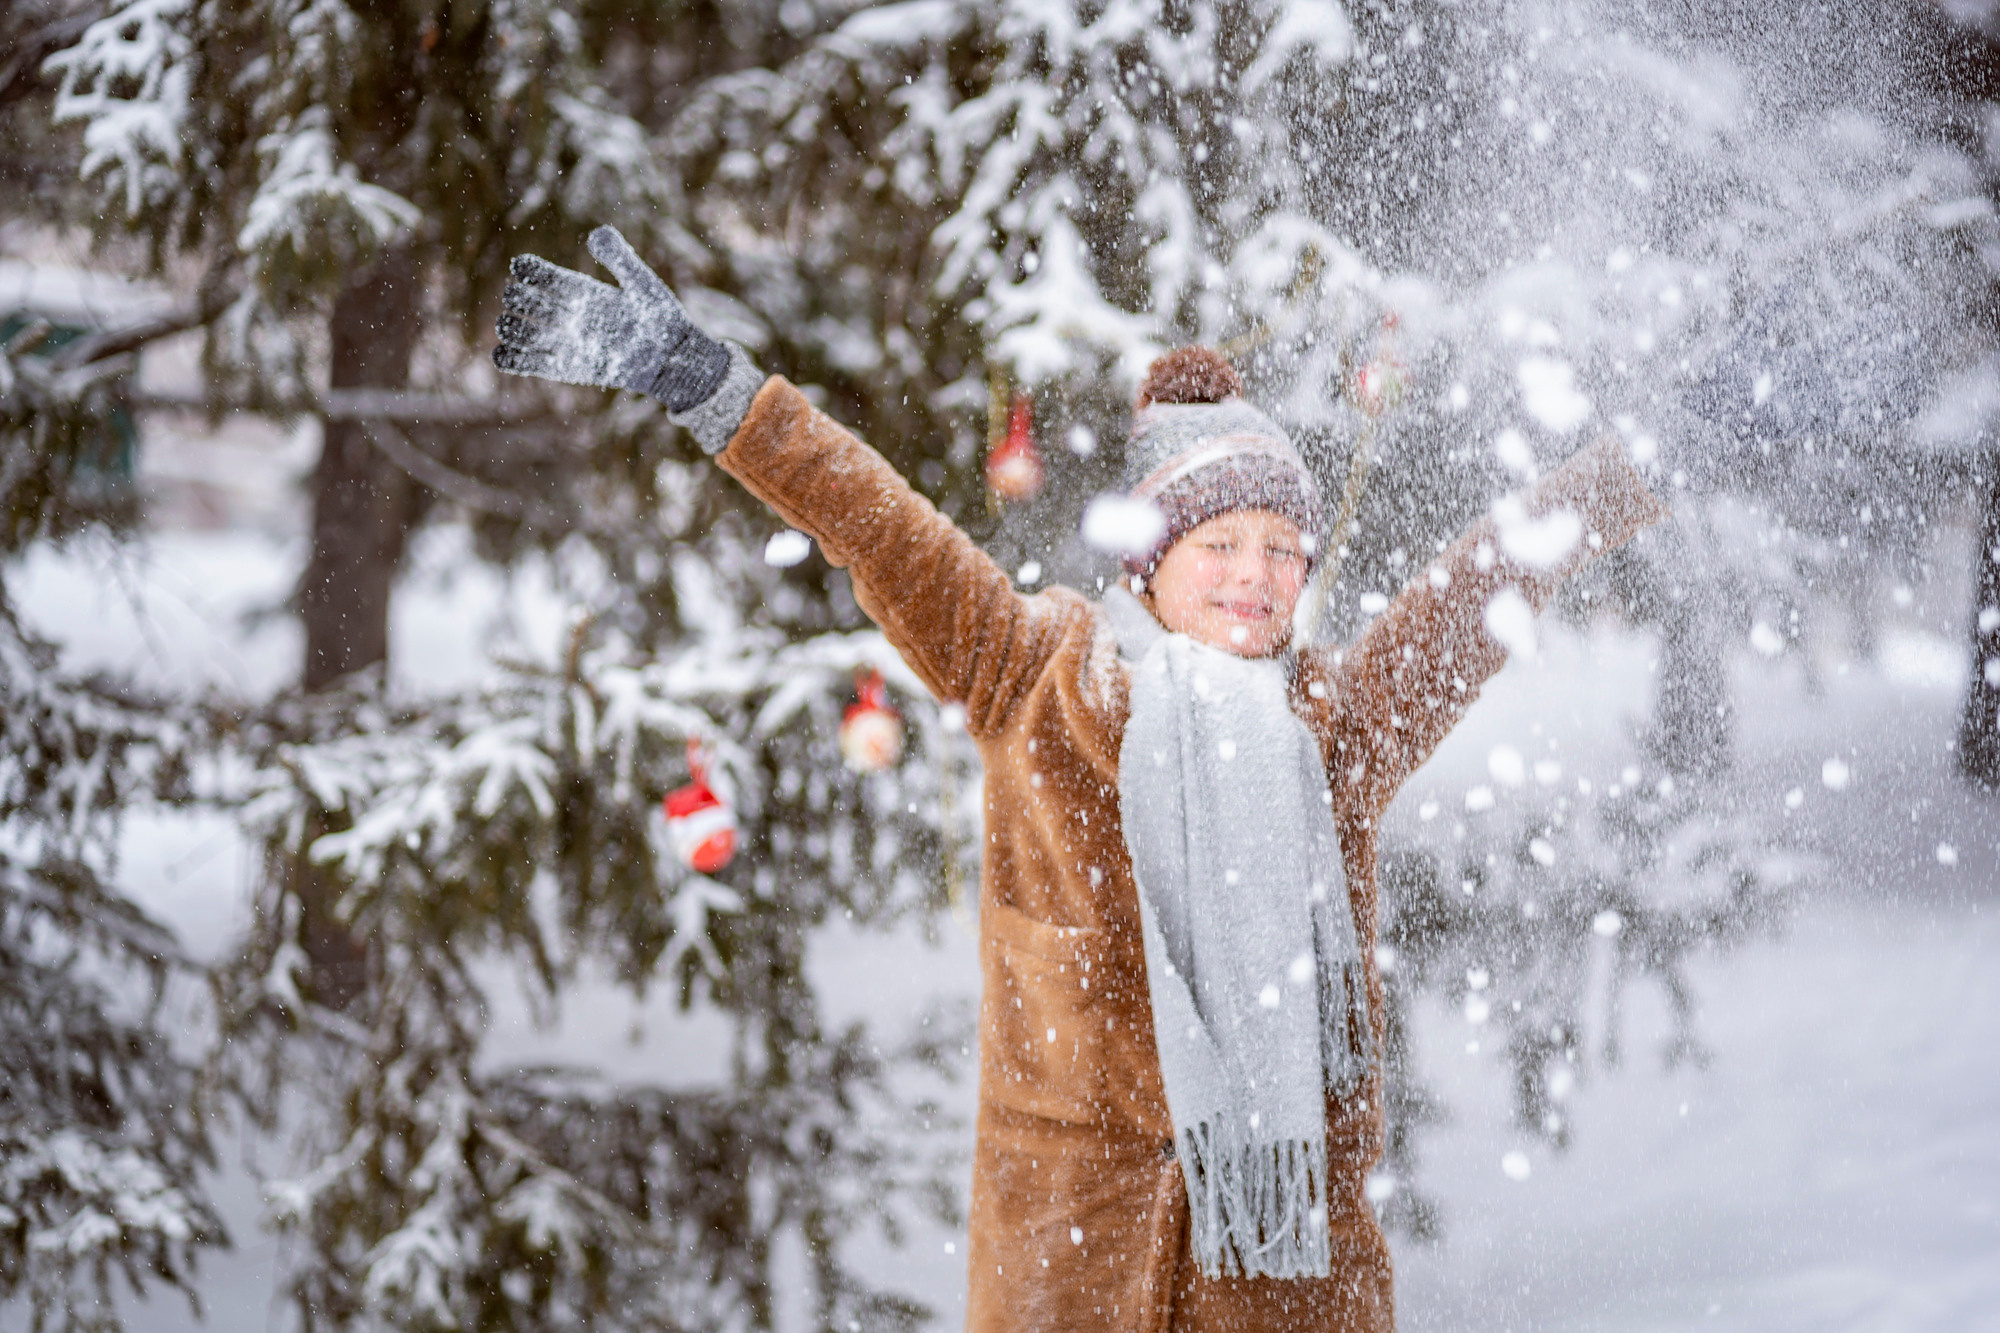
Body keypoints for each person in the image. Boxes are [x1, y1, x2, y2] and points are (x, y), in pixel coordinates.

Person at [494, 227, 1671, 1332]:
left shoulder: (1330, 728)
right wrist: (708, 386)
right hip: (1065, 1267)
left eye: (1281, 549)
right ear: (1149, 564)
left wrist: (1622, 472)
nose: (1256, 577)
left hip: (1284, 1292)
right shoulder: (1030, 674)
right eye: (1219, 545)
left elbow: (1468, 598)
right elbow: (878, 526)